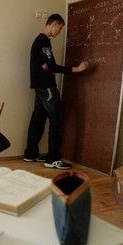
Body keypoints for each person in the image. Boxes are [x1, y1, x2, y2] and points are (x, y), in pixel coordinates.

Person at [23, 13, 88, 169]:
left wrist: (47, 66)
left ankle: (30, 153)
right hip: (47, 87)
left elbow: (46, 65)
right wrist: (76, 69)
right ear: (53, 24)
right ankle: (53, 159)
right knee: (56, 121)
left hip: (39, 87)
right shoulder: (44, 41)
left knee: (38, 119)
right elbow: (51, 66)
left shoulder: (38, 41)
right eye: (60, 28)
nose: (59, 32)